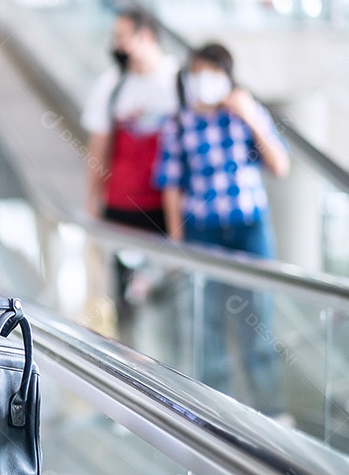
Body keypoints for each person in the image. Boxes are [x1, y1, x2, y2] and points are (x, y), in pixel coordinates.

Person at [153, 43, 290, 418]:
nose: (204, 81)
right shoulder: (178, 122)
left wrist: (252, 117)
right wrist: (177, 246)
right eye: (197, 72)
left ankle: (272, 413)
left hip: (249, 229)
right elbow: (171, 185)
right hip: (202, 233)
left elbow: (280, 166)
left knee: (258, 325)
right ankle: (218, 415)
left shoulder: (243, 115)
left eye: (212, 72)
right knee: (207, 327)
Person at [82, 7, 180, 344]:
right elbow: (98, 145)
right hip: (120, 210)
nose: (117, 45)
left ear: (146, 37)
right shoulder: (112, 85)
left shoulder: (177, 81)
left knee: (169, 300)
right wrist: (91, 202)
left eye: (123, 38)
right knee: (125, 303)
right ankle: (132, 368)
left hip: (167, 214)